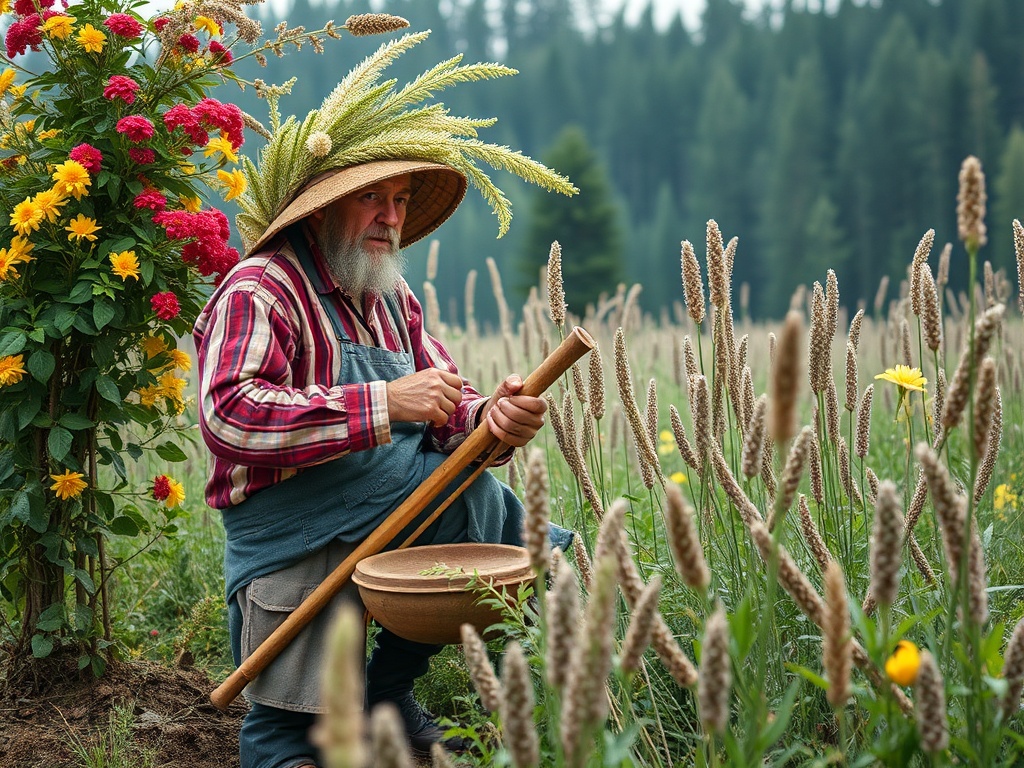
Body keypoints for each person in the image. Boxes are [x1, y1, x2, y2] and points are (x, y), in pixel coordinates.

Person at [195, 156, 573, 765]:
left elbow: (446, 402)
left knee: (481, 510)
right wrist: (382, 401)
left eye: (399, 200)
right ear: (321, 207)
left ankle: (393, 695)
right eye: (372, 197)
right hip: (291, 524)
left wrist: (488, 420)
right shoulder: (260, 289)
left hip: (390, 500)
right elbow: (231, 414)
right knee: (294, 737)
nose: (390, 218)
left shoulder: (389, 293)